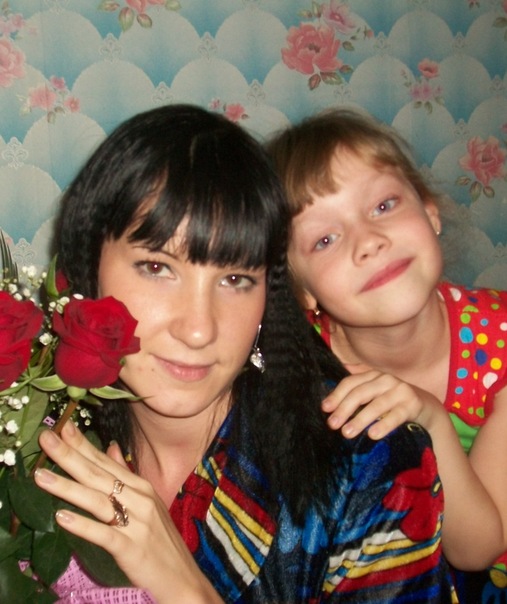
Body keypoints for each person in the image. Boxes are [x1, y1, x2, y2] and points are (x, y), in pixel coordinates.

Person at [32, 104, 458, 603]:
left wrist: (189, 593)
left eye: (235, 279)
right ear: (88, 270)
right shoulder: (36, 430)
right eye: (157, 268)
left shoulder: (370, 467)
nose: (199, 329)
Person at [266, 106, 507, 603]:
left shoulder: (502, 339)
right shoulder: (303, 368)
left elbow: (478, 549)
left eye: (383, 205)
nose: (369, 242)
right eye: (325, 239)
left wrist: (430, 418)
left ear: (430, 212)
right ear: (301, 292)